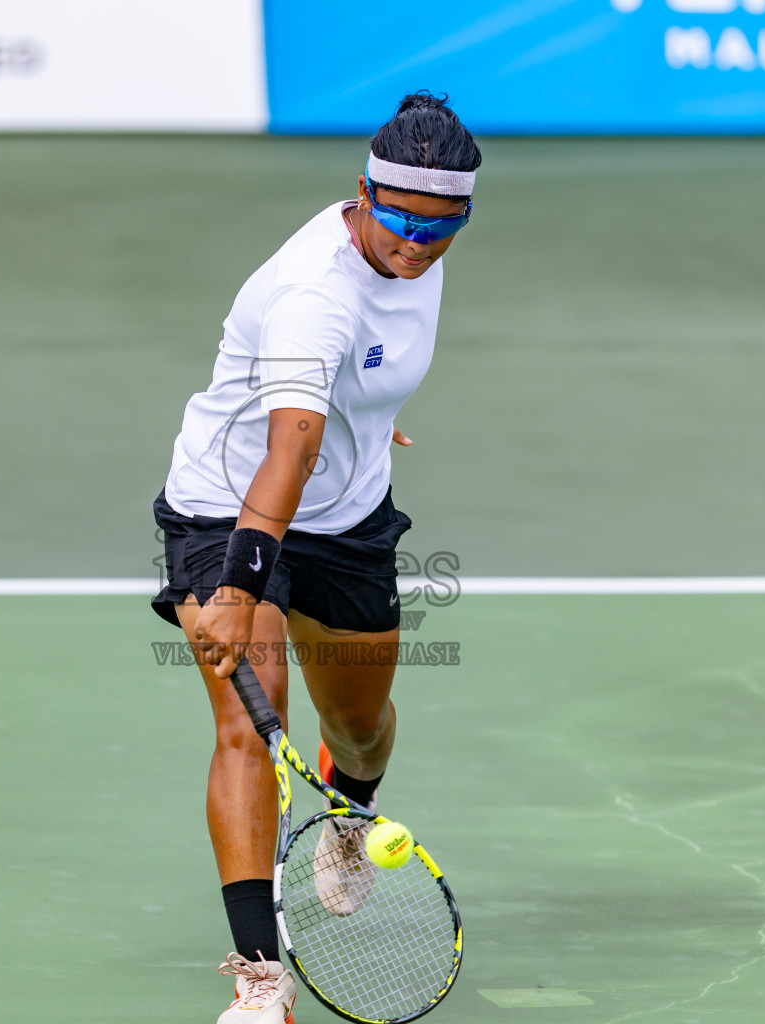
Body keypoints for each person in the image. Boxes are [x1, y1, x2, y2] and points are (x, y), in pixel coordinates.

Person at [150, 91, 481, 1024]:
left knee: (364, 724)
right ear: (363, 193)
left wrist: (367, 417)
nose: (416, 241)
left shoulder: (417, 248)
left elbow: (358, 378)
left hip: (350, 513)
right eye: (400, 217)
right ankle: (261, 978)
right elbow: (286, 451)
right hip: (231, 506)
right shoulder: (313, 294)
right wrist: (233, 585)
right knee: (247, 729)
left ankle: (348, 810)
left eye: (441, 224)